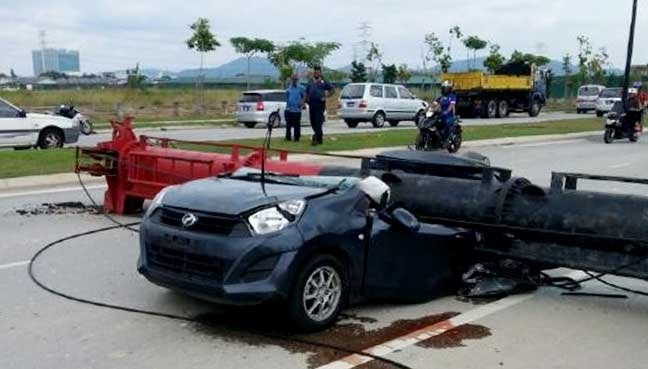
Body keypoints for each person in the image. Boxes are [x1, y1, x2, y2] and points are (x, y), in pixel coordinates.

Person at [305, 66, 333, 145]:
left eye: (317, 72)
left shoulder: (324, 81)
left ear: (320, 73)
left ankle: (315, 138)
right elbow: (307, 91)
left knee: (318, 122)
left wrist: (325, 97)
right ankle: (320, 138)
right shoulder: (310, 81)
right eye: (315, 72)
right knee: (312, 122)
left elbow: (332, 90)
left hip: (320, 104)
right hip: (311, 104)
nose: (316, 73)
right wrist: (306, 100)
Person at [285, 74, 305, 141]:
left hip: (297, 110)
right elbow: (287, 98)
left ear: (297, 80)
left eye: (295, 79)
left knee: (297, 125)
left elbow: (304, 96)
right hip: (289, 109)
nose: (294, 81)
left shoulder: (301, 88)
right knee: (288, 125)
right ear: (291, 80)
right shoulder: (288, 89)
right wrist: (287, 106)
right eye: (293, 79)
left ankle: (296, 137)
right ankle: (288, 137)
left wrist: (302, 102)